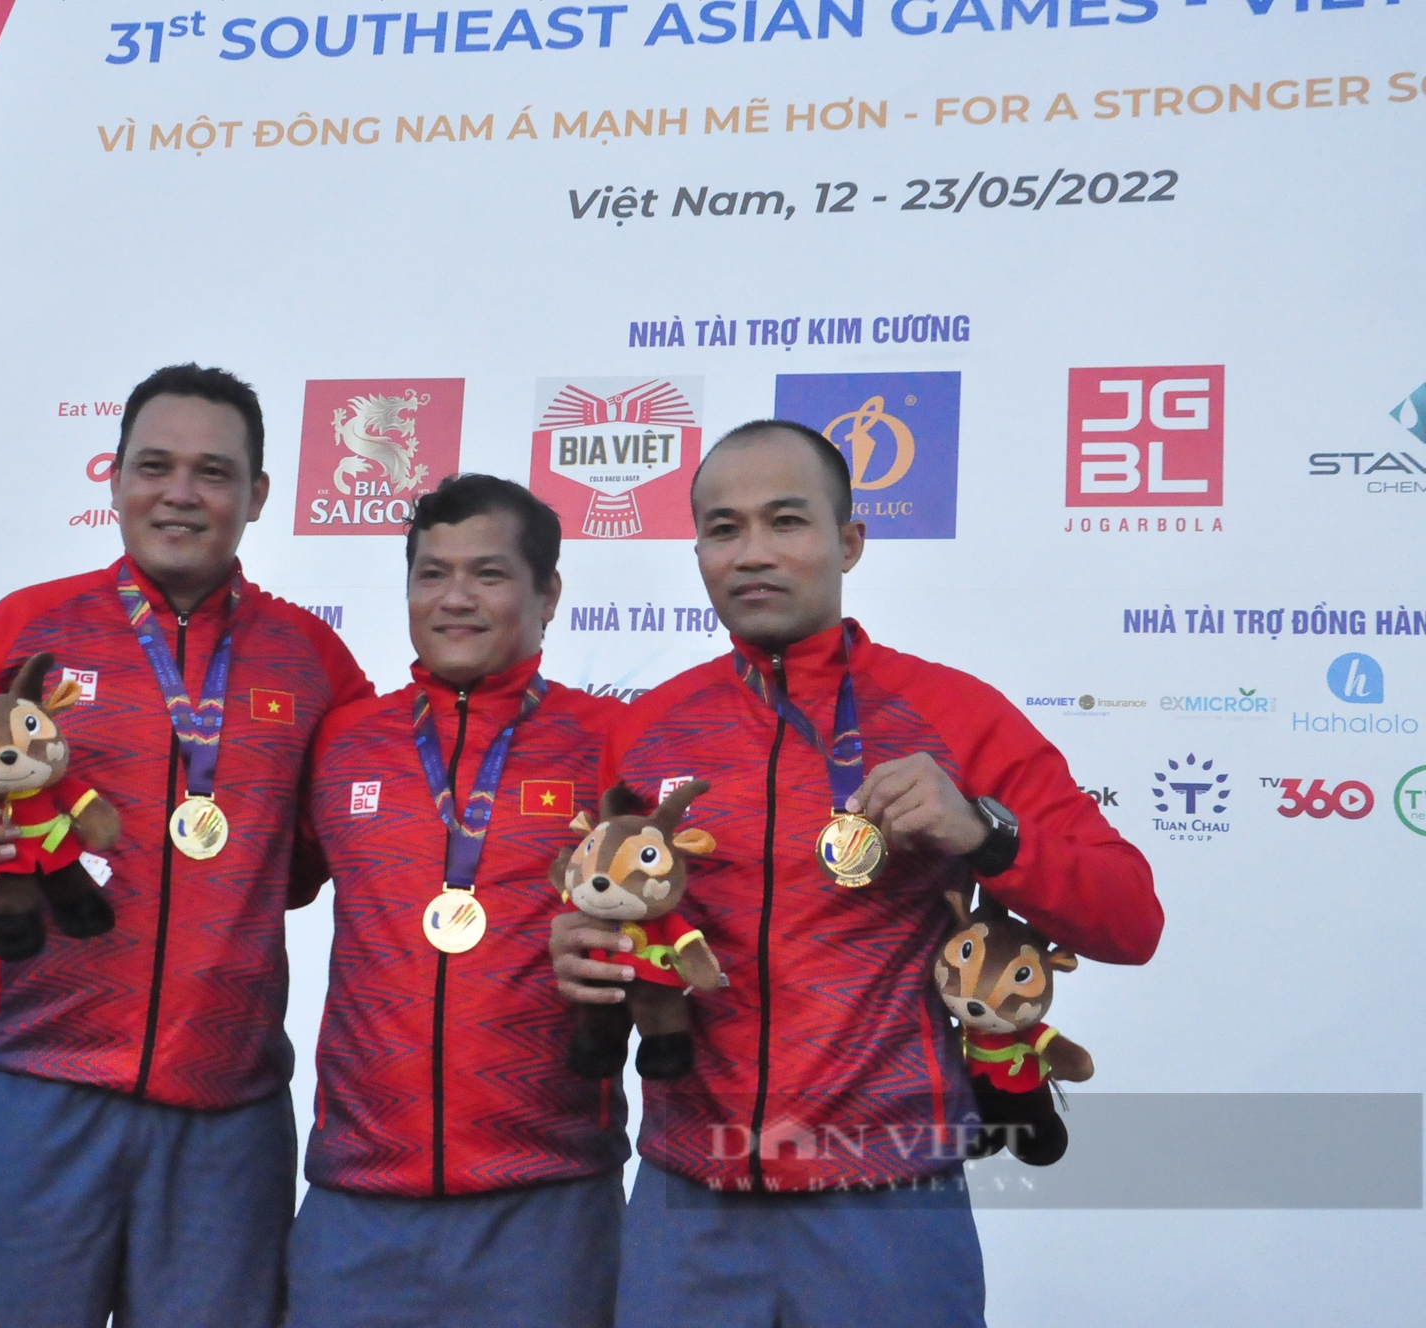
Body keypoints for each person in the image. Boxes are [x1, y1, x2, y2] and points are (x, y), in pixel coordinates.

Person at [550, 420, 1164, 1327]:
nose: (753, 553)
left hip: (887, 1204)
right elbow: (604, 914)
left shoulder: (955, 713)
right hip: (688, 1199)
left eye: (786, 522)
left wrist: (985, 834)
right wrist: (576, 952)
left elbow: (1130, 919)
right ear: (697, 552)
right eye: (724, 529)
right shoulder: (648, 728)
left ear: (849, 542)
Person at [0, 363, 373, 1327]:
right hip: (34, 1091)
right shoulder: (30, 627)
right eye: (155, 465)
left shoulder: (314, 661)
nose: (180, 494)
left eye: (214, 473)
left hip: (225, 1115)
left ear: (258, 495)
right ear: (113, 478)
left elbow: (332, 849)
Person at [287, 475, 629, 1327]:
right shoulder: (343, 740)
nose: (455, 600)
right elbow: (267, 880)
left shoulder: (611, 746)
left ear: (548, 593)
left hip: (548, 1198)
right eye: (431, 574)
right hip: (356, 1199)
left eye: (487, 574)